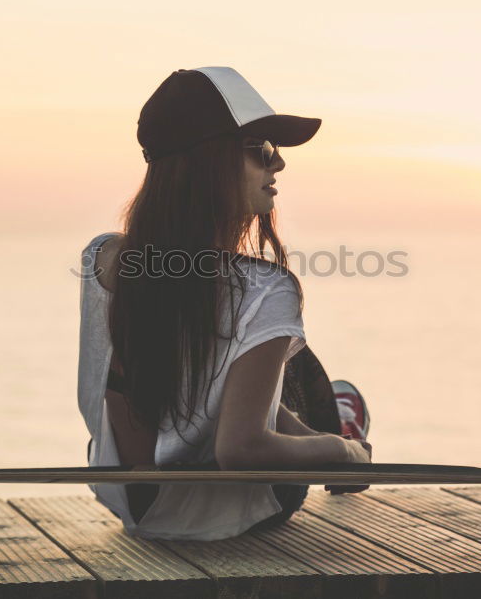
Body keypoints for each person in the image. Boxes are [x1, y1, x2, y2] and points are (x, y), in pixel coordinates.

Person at [76, 67, 372, 540]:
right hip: (240, 508)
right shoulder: (266, 288)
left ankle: (331, 428)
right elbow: (242, 450)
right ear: (208, 161)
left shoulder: (105, 259)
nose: (278, 167)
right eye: (263, 151)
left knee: (235, 349)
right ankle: (342, 425)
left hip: (135, 507)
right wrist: (343, 454)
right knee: (283, 355)